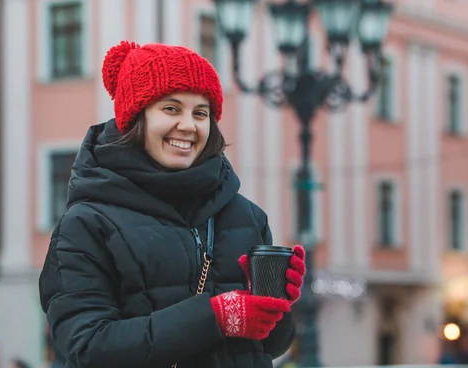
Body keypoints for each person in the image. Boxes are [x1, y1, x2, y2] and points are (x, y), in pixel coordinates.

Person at [39, 41, 306, 368]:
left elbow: (270, 346)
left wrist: (275, 305)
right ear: (137, 117)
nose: (188, 125)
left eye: (200, 113)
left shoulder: (245, 215)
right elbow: (89, 348)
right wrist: (217, 316)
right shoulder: (86, 224)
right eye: (171, 108)